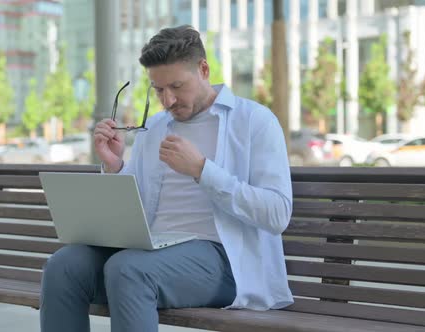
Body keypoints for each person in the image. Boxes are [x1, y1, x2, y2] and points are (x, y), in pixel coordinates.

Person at [40, 25, 293, 332]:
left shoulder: (254, 121)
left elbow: (278, 214)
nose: (168, 100)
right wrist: (115, 167)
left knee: (130, 270)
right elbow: (132, 210)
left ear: (203, 69)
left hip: (223, 260)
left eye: (177, 86)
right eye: (158, 90)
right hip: (150, 250)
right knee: (63, 266)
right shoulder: (155, 128)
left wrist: (202, 170)